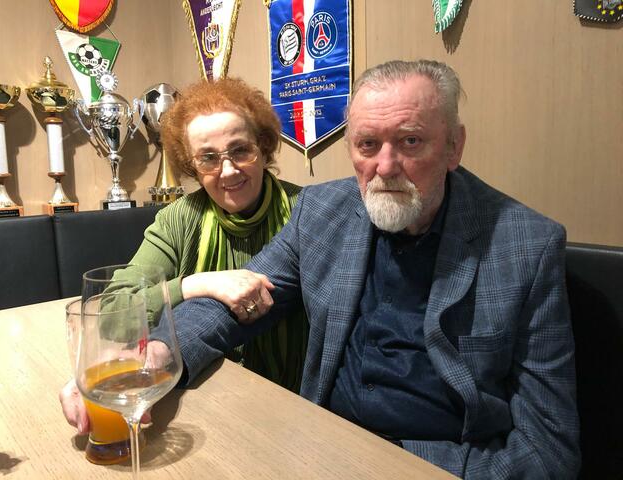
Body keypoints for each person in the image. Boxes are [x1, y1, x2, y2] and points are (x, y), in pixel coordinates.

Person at [151, 60, 581, 478]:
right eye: (368, 144)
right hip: (318, 451)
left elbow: (549, 451)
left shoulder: (526, 246)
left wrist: (391, 463)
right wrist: (159, 355)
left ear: (454, 146)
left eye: (410, 141)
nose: (386, 167)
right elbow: (235, 300)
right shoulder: (322, 212)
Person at [60, 78, 309, 432]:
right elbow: (112, 313)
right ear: (191, 165)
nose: (228, 170)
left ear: (264, 146)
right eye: (208, 158)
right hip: (204, 400)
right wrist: (195, 284)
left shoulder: (306, 211)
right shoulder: (179, 219)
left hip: (296, 405)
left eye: (240, 150)